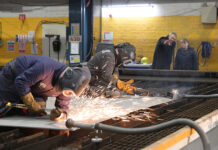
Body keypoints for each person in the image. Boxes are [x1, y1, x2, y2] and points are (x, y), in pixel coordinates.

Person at [0, 55, 91, 120]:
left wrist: (60, 114)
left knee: (40, 110)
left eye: (70, 93)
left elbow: (63, 105)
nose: (68, 95)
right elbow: (21, 81)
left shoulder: (66, 88)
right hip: (12, 77)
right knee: (5, 106)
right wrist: (31, 103)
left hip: (35, 87)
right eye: (69, 92)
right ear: (67, 79)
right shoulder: (45, 68)